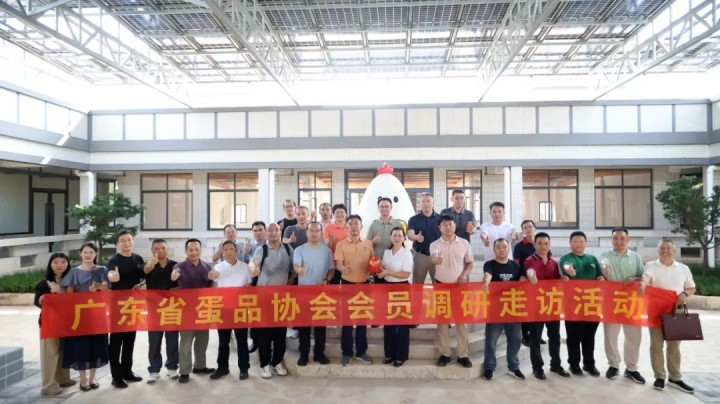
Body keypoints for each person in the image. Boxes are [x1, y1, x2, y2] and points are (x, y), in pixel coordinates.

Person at [641, 239, 696, 394]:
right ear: (657, 250)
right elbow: (646, 278)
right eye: (662, 248)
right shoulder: (651, 265)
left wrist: (685, 294)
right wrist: (642, 284)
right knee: (656, 345)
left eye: (668, 248)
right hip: (656, 311)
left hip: (676, 310)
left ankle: (675, 378)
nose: (665, 250)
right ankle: (659, 376)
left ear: (674, 251)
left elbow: (691, 287)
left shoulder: (683, 268)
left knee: (674, 346)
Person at [60, 242, 109, 392]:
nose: (88, 255)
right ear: (80, 253)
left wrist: (97, 287)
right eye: (85, 252)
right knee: (81, 346)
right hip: (80, 314)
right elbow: (69, 295)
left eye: (91, 252)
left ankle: (93, 377)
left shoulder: (102, 269)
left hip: (97, 314)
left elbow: (107, 287)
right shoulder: (74, 272)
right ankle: (83, 378)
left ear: (96, 254)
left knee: (96, 345)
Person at [599, 228, 646, 384]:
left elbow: (643, 276)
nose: (618, 242)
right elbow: (603, 269)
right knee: (610, 336)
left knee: (634, 336)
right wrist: (604, 272)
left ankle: (631, 368)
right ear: (611, 239)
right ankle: (613, 365)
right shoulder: (605, 256)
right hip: (611, 302)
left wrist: (634, 279)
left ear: (628, 240)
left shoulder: (636, 257)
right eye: (615, 238)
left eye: (622, 238)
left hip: (631, 302)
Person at [208, 240, 257, 381]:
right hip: (223, 309)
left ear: (236, 251)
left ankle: (244, 368)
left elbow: (249, 286)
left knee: (242, 340)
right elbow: (213, 284)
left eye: (231, 249)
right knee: (223, 341)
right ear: (222, 253)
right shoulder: (217, 268)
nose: (229, 251)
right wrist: (211, 276)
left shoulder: (245, 267)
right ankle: (222, 368)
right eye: (226, 249)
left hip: (240, 309)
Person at [523, 232, 569, 379]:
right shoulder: (529, 261)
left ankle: (556, 365)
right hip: (535, 306)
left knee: (554, 336)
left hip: (552, 305)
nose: (543, 246)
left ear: (549, 244)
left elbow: (558, 281)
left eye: (546, 243)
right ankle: (537, 368)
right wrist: (531, 277)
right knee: (535, 338)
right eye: (540, 243)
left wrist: (564, 277)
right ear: (534, 244)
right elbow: (530, 272)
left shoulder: (554, 263)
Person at [430, 215, 473, 369]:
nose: (447, 227)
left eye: (450, 224)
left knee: (461, 322)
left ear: (455, 226)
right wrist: (437, 260)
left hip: (459, 287)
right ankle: (445, 354)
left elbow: (469, 263)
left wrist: (464, 275)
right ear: (439, 227)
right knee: (442, 322)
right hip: (441, 287)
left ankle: (463, 355)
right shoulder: (435, 244)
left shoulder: (464, 243)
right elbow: (434, 258)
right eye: (444, 225)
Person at [559, 231, 604, 377]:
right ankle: (574, 364)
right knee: (574, 336)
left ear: (586, 243)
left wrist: (601, 277)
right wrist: (569, 272)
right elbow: (566, 267)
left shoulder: (592, 259)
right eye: (575, 241)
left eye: (581, 241)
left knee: (589, 337)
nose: (578, 244)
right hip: (574, 305)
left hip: (591, 304)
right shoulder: (567, 258)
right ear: (570, 243)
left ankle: (589, 364)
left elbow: (600, 275)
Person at [171, 238, 216, 384]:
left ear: (200, 250)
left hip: (203, 309)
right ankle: (184, 371)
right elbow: (175, 274)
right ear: (186, 251)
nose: (194, 252)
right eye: (191, 250)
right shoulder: (179, 266)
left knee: (203, 340)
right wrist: (174, 276)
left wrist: (214, 280)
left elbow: (211, 286)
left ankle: (200, 366)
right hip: (186, 311)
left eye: (197, 249)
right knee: (186, 342)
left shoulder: (207, 266)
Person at [481, 238, 526, 381]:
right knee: (491, 340)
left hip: (513, 309)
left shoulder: (516, 265)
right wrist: (486, 283)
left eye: (504, 247)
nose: (501, 249)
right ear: (494, 250)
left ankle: (513, 367)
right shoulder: (490, 264)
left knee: (515, 340)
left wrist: (524, 280)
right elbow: (487, 275)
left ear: (508, 248)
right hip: (495, 309)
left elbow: (523, 280)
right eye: (498, 247)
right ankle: (489, 367)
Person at [252, 222, 293, 378]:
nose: (273, 232)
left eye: (276, 229)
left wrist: (290, 280)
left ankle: (277, 361)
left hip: (282, 297)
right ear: (266, 233)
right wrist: (255, 268)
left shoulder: (288, 249)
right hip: (264, 297)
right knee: (264, 332)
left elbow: (296, 266)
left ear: (280, 231)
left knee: (280, 332)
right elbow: (255, 263)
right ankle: (265, 364)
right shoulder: (261, 249)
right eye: (270, 230)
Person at [106, 230, 145, 388]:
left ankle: (127, 371)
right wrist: (112, 277)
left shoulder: (138, 259)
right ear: (118, 243)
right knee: (116, 341)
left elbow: (143, 278)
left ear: (133, 241)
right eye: (123, 240)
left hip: (134, 305)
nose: (126, 243)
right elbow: (110, 274)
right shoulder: (114, 260)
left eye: (129, 239)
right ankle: (116, 376)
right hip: (118, 306)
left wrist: (141, 284)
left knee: (130, 339)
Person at [335, 214, 374, 366]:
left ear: (361, 226)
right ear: (347, 227)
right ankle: (346, 352)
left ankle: (361, 352)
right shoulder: (341, 244)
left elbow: (373, 262)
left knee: (362, 320)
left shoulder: (368, 244)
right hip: (347, 285)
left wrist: (378, 266)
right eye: (350, 224)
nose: (353, 226)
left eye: (356, 223)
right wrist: (342, 268)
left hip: (364, 285)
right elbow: (338, 264)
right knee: (347, 320)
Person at [293, 221, 334, 366]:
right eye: (311, 231)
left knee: (320, 326)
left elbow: (331, 269)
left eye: (317, 231)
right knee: (304, 325)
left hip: (321, 294)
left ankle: (319, 353)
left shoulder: (327, 251)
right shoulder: (299, 249)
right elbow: (296, 265)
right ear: (307, 233)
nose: (314, 233)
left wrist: (326, 280)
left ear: (321, 233)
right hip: (304, 293)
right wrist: (300, 270)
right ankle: (303, 354)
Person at [34, 252, 76, 395]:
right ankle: (49, 385)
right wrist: (43, 299)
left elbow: (75, 300)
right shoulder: (45, 283)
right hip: (49, 323)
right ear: (50, 264)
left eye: (63, 262)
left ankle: (63, 378)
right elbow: (37, 301)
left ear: (68, 264)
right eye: (56, 262)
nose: (59, 265)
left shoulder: (71, 280)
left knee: (64, 351)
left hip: (67, 322)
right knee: (50, 353)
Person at [143, 239, 179, 383]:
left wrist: (177, 288)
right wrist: (150, 266)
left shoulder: (176, 265)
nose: (160, 251)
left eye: (163, 248)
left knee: (172, 340)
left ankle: (172, 367)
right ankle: (153, 370)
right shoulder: (149, 265)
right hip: (154, 310)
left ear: (167, 249)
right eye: (156, 248)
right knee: (154, 341)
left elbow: (181, 285)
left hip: (172, 309)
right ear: (152, 251)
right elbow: (144, 273)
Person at [379, 227, 412, 367]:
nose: (397, 238)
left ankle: (401, 355)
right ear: (390, 237)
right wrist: (379, 267)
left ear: (404, 238)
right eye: (394, 235)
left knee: (402, 323)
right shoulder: (386, 252)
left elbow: (406, 274)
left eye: (399, 235)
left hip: (402, 288)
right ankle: (389, 354)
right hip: (387, 288)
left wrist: (388, 273)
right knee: (388, 323)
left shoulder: (407, 253)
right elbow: (384, 268)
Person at [513, 220, 541, 347]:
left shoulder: (540, 243)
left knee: (538, 308)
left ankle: (537, 335)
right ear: (523, 231)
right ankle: (525, 336)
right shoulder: (519, 246)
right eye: (525, 227)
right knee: (526, 309)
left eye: (530, 226)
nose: (528, 229)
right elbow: (516, 265)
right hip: (524, 281)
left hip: (539, 282)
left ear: (535, 228)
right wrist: (521, 276)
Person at [367, 197, 403, 283]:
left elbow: (402, 244)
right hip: (378, 264)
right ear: (378, 208)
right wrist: (373, 241)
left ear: (391, 207)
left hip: (394, 264)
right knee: (379, 288)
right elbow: (366, 245)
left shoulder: (398, 224)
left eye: (387, 206)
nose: (384, 209)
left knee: (393, 288)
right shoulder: (373, 225)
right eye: (382, 207)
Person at [408, 193, 441, 284]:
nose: (426, 204)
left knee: (438, 284)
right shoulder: (413, 219)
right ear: (420, 203)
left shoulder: (440, 219)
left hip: (436, 256)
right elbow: (410, 235)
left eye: (428, 201)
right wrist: (417, 237)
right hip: (420, 256)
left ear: (433, 203)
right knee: (417, 285)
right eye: (423, 201)